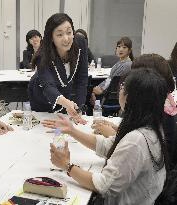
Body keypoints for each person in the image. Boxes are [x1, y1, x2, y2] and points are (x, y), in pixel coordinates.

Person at [43, 68, 167, 204]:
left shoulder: (136, 140)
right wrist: (72, 130)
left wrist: (67, 165)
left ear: (131, 97)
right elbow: (109, 146)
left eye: (123, 86)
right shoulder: (151, 126)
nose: (120, 90)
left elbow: (104, 186)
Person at [94, 54, 177, 169]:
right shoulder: (163, 102)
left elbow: (140, 146)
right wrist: (117, 130)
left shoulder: (162, 111)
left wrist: (111, 133)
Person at [28, 13, 88, 124]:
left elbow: (82, 80)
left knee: (63, 129)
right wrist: (66, 102)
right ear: (51, 37)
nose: (66, 38)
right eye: (60, 35)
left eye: (69, 32)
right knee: (44, 129)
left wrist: (79, 108)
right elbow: (48, 86)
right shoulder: (43, 54)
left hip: (64, 94)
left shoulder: (80, 43)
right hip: (41, 96)